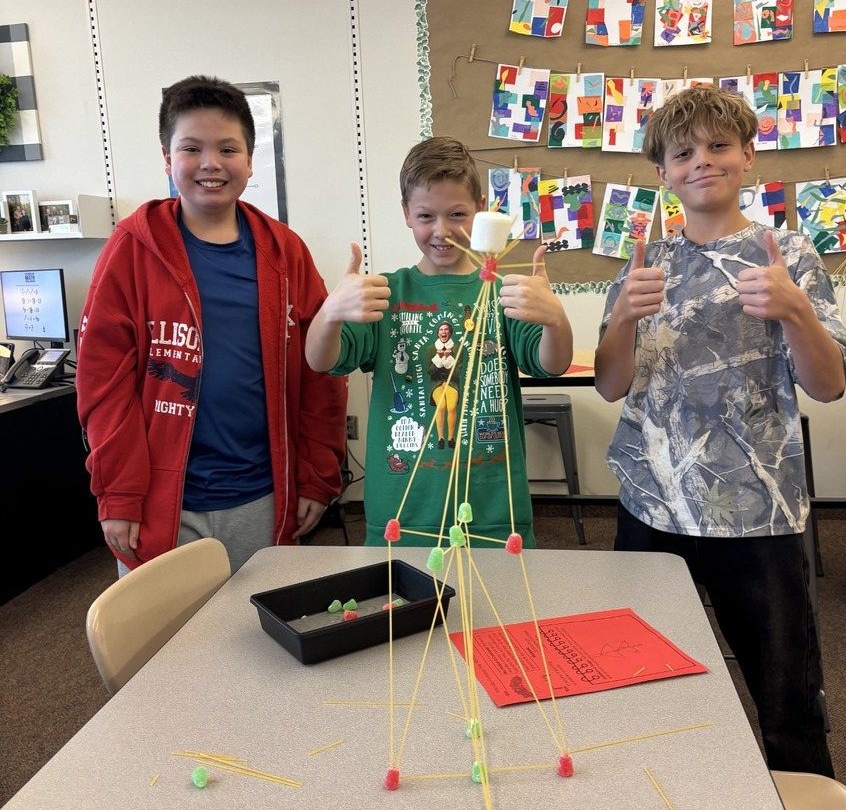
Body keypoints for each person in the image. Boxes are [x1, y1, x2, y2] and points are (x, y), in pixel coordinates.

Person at [594, 84, 846, 776]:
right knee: (638, 681)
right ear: (662, 173)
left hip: (758, 516)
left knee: (785, 698)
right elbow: (609, 382)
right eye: (684, 152)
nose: (702, 161)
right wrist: (622, 316)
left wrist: (796, 311)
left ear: (747, 157)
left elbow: (828, 385)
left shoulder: (788, 254)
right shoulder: (647, 259)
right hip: (651, 507)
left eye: (718, 146)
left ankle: (801, 791)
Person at [77, 75, 347, 574]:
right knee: (162, 644)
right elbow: (102, 385)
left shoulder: (285, 252)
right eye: (191, 148)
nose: (210, 164)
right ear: (166, 158)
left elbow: (321, 374)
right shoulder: (131, 250)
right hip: (163, 501)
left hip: (264, 495)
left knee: (261, 640)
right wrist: (118, 492)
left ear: (249, 159)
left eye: (228, 148)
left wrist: (316, 477)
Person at [305, 136, 573, 547]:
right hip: (402, 515)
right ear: (406, 214)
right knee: (402, 610)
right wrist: (330, 312)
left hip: (493, 516)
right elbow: (321, 360)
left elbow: (552, 363)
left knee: (501, 609)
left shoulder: (500, 291)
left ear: (480, 209)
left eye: (458, 214)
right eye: (426, 215)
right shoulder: (387, 292)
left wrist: (556, 321)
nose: (442, 231)